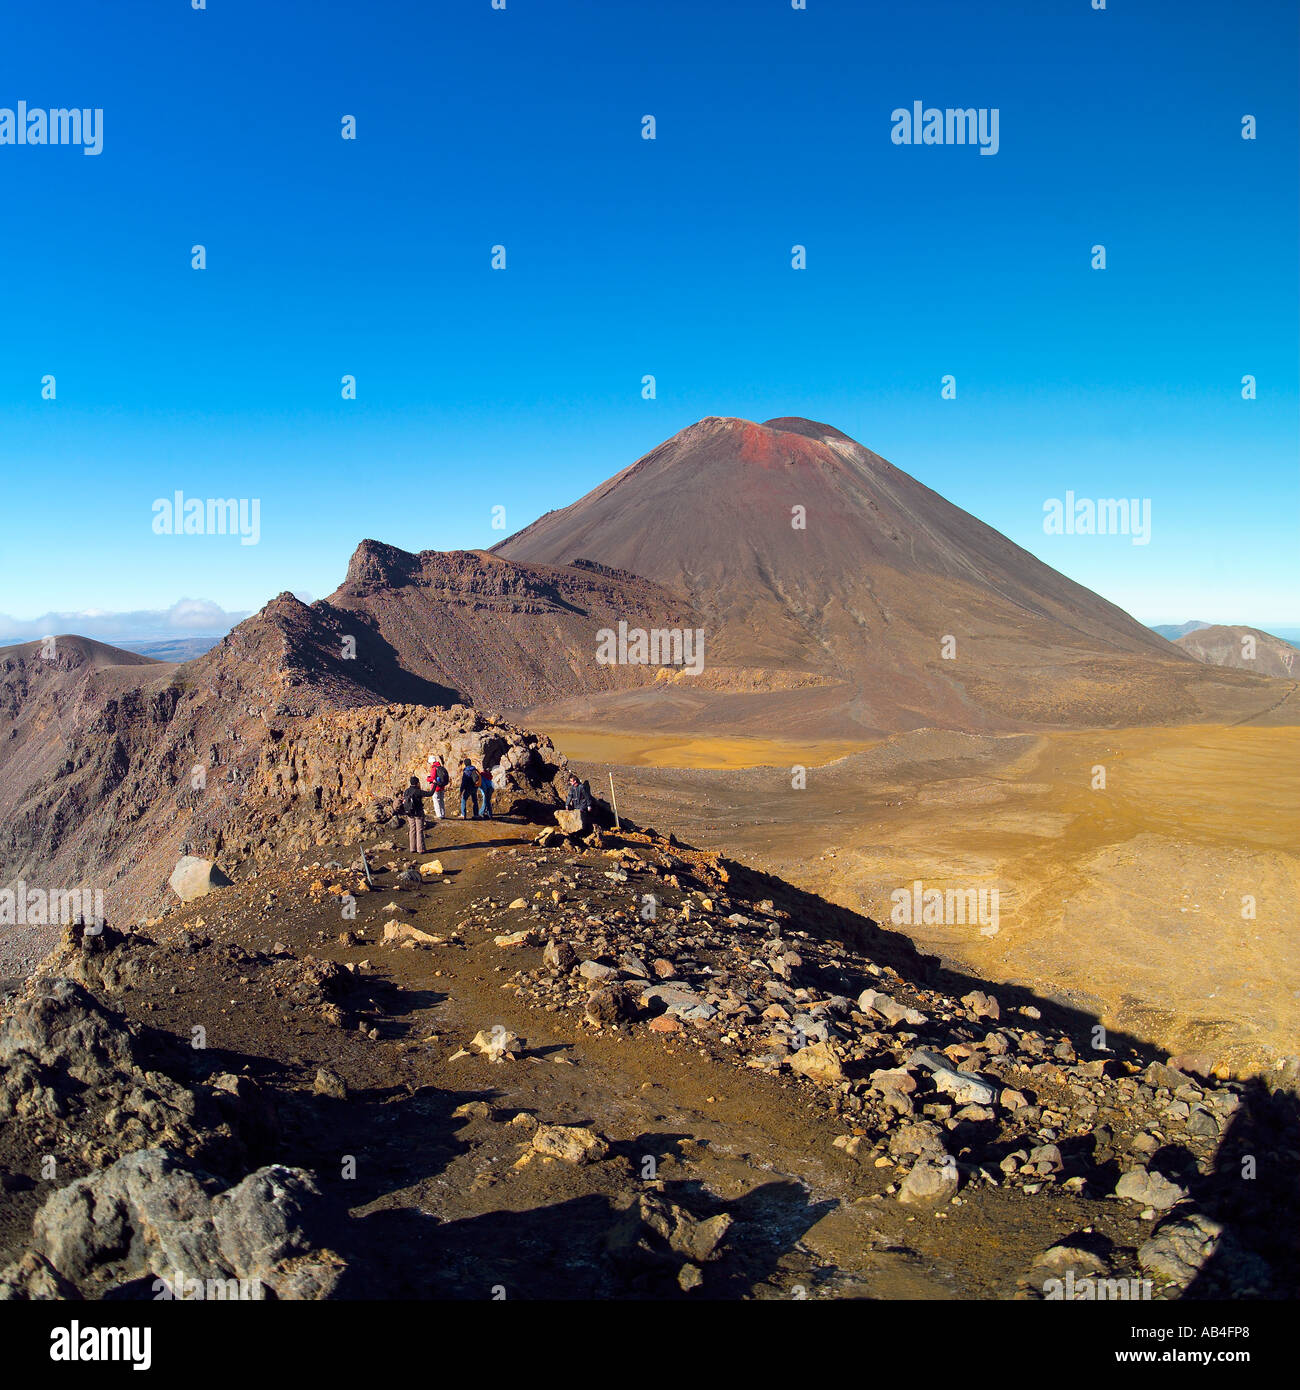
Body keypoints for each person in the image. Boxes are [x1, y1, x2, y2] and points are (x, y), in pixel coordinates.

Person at [397, 775, 431, 853]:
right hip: (418, 813)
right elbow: (430, 793)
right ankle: (420, 849)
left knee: (412, 830)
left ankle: (412, 848)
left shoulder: (406, 791)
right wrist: (435, 784)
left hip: (409, 813)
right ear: (417, 783)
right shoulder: (418, 791)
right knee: (419, 830)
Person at [426, 755, 449, 820]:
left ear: (432, 762)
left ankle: (438, 815)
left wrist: (428, 779)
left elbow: (432, 778)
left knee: (436, 801)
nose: (430, 764)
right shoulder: (441, 767)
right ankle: (443, 814)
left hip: (436, 787)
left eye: (430, 763)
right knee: (441, 800)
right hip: (442, 786)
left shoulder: (434, 768)